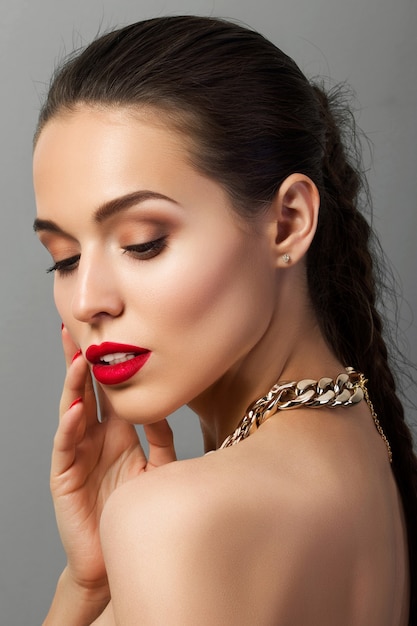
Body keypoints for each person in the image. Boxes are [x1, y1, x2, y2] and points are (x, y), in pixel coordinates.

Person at [32, 15, 416, 625]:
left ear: (288, 222)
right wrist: (90, 585)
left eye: (143, 242)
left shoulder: (180, 519)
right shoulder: (362, 442)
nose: (88, 301)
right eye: (66, 258)